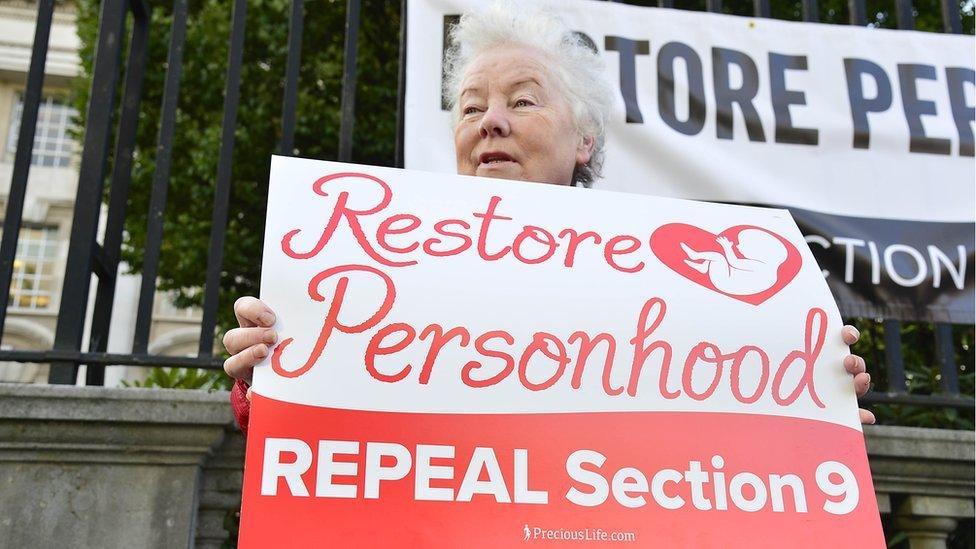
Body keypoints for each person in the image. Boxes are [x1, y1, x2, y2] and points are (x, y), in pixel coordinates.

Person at [222, 3, 874, 435]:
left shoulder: (668, 287)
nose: (491, 121)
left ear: (583, 140)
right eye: (471, 108)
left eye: (523, 100)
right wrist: (275, 373)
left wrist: (815, 414)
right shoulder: (384, 280)